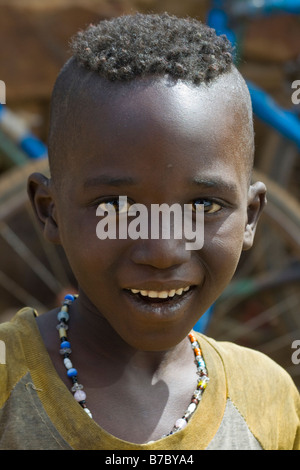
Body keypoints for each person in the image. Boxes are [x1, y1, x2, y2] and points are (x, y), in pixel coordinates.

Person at [0, 12, 299, 450]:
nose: (162, 250)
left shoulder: (267, 397)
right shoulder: (9, 379)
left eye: (203, 206)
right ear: (50, 212)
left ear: (250, 216)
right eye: (116, 207)